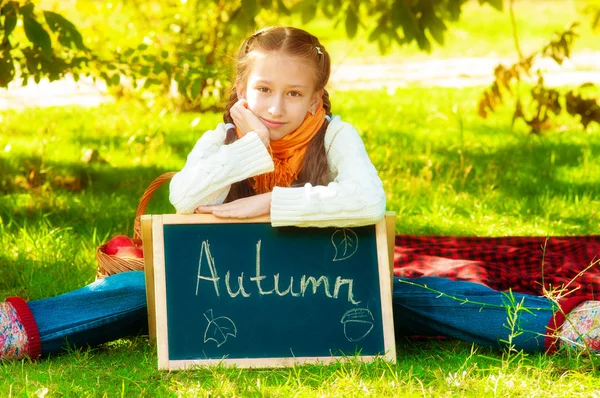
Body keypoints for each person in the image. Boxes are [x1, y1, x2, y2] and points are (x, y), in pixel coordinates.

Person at [0, 27, 598, 360]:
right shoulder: (222, 135)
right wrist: (249, 141)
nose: (276, 107)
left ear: (316, 98)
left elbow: (366, 201)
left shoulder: (337, 136)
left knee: (414, 296)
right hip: (223, 281)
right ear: (242, 90)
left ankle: (563, 325)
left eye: (293, 95)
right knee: (134, 293)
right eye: (263, 90)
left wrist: (266, 203)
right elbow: (183, 199)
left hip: (323, 278)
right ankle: (21, 330)